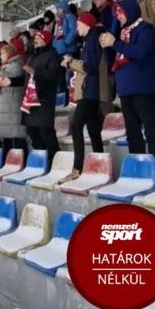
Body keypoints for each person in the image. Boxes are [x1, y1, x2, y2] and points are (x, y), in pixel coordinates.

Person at [100, 0, 155, 185]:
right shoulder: (120, 33)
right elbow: (113, 58)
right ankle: (139, 174)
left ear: (130, 11)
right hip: (126, 90)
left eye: (120, 12)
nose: (118, 16)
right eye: (116, 13)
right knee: (133, 135)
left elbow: (141, 52)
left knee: (151, 134)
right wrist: (109, 42)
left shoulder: (145, 29)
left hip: (144, 89)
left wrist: (116, 43)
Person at [60, 13, 110, 183]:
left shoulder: (91, 40)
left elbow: (89, 67)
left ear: (87, 25)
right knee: (93, 131)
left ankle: (78, 168)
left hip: (89, 91)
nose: (76, 28)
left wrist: (70, 62)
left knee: (76, 126)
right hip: (89, 91)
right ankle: (101, 165)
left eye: (79, 25)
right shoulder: (90, 40)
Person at [23, 30, 61, 164]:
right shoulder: (32, 56)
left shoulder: (52, 55)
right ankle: (43, 162)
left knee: (46, 133)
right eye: (36, 38)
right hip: (31, 101)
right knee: (33, 133)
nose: (36, 40)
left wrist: (35, 72)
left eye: (39, 38)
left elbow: (53, 75)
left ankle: (55, 162)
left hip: (44, 99)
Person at [0, 44, 28, 162]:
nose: (0, 56)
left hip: (13, 107)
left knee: (17, 139)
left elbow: (8, 80)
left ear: (9, 53)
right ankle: (8, 163)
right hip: (6, 108)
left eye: (2, 53)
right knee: (8, 139)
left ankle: (21, 163)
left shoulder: (16, 65)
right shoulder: (6, 66)